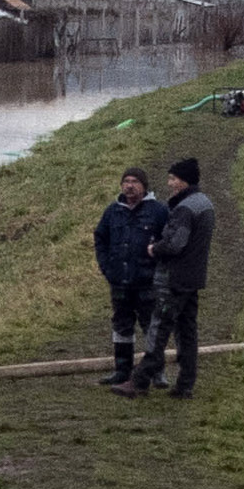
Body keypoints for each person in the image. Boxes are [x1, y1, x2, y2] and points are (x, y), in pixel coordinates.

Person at [132, 156, 217, 397]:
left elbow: (175, 244)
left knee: (159, 330)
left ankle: (139, 380)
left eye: (173, 179)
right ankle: (185, 385)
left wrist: (154, 248)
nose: (169, 183)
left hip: (174, 279)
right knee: (188, 333)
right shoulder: (205, 203)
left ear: (184, 181)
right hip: (193, 278)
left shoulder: (185, 208)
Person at [88, 166, 155, 390]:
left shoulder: (158, 211)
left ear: (144, 186)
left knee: (151, 326)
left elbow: (168, 244)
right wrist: (107, 268)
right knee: (121, 325)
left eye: (135, 181)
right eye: (126, 181)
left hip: (147, 282)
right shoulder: (112, 212)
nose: (129, 185)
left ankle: (156, 371)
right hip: (120, 282)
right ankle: (121, 370)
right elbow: (100, 238)